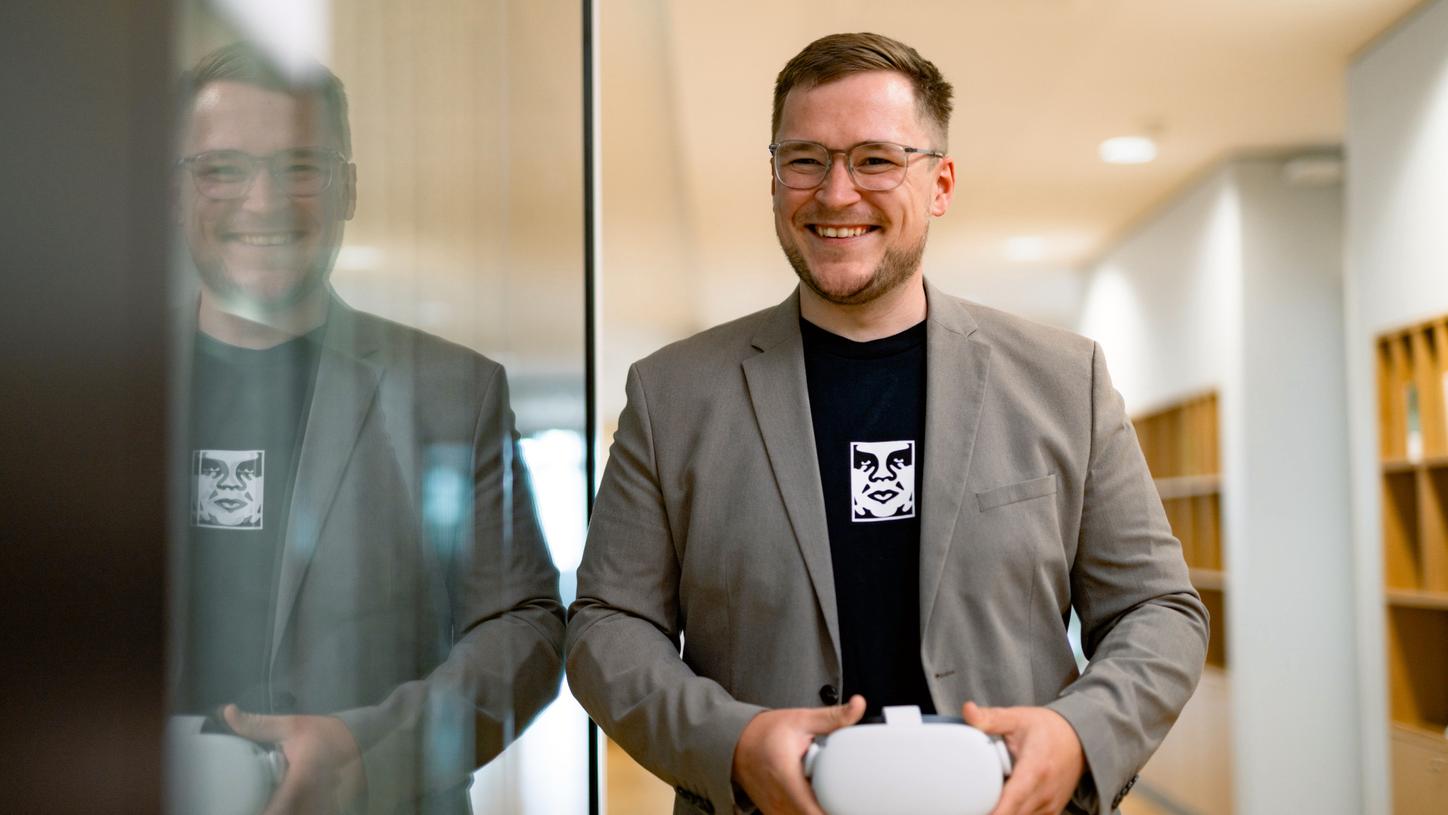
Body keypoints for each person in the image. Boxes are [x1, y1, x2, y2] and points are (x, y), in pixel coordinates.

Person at [566, 32, 1208, 815]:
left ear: (940, 183)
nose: (836, 193)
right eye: (805, 159)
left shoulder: (1064, 382)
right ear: (774, 178)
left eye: (876, 159)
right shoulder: (673, 395)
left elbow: (1157, 609)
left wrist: (1079, 735)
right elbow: (607, 626)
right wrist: (731, 743)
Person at [170, 42, 564, 815]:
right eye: (223, 169)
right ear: (177, 192)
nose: (262, 202)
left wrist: (367, 750)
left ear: (348, 188)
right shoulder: (90, 396)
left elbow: (526, 631)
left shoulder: (453, 393)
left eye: (300, 167)